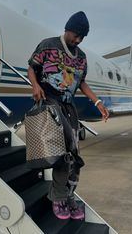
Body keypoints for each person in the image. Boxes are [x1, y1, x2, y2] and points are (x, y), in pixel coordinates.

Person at [27, 11, 109, 220]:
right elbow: (32, 67)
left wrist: (98, 102)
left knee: (75, 154)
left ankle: (69, 195)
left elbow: (81, 82)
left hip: (68, 106)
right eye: (76, 35)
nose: (78, 40)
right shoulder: (48, 45)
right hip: (49, 103)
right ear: (67, 28)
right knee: (64, 152)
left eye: (82, 37)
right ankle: (58, 197)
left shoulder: (81, 57)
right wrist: (35, 85)